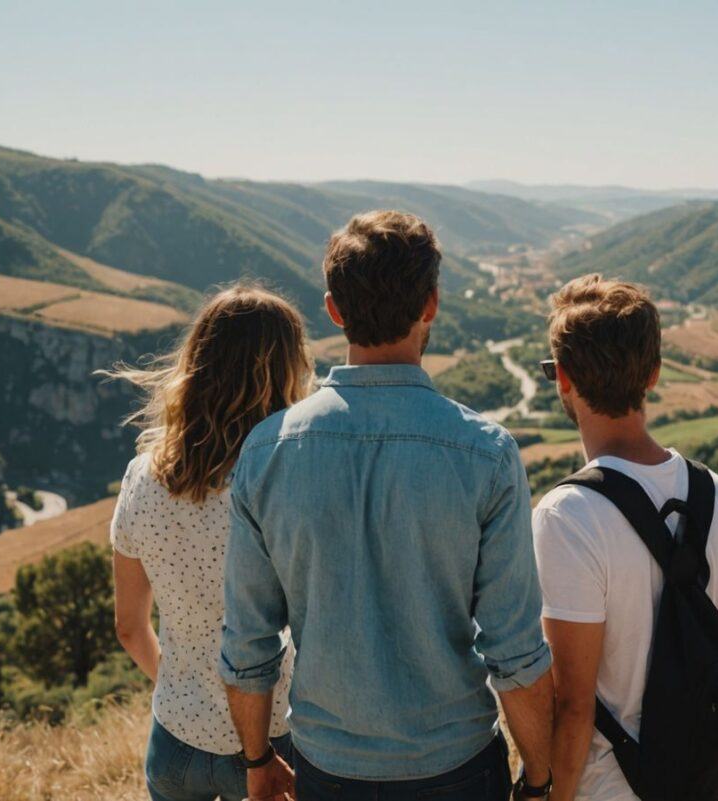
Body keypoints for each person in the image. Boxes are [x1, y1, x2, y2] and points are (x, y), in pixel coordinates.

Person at [219, 210, 555, 801]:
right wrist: (540, 777)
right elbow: (516, 652)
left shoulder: (267, 452)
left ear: (334, 310)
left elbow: (249, 644)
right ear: (430, 305)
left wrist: (257, 760)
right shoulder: (486, 453)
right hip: (459, 768)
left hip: (328, 769)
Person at [532, 275, 718, 801]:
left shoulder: (568, 516)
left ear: (563, 379)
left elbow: (574, 706)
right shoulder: (715, 493)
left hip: (612, 787)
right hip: (703, 780)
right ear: (653, 374)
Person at [106, 284, 315, 801]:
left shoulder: (141, 477)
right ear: (285, 372)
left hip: (176, 741)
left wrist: (183, 691)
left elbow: (129, 629)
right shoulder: (287, 477)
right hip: (275, 737)